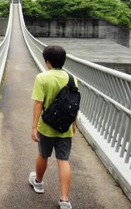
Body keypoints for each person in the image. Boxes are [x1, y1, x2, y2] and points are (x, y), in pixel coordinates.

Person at [29, 45, 76, 209]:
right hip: (65, 128)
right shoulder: (72, 78)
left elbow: (38, 103)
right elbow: (73, 104)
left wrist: (34, 127)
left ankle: (39, 182)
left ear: (47, 61)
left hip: (47, 127)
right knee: (63, 160)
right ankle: (64, 200)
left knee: (43, 155)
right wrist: (74, 123)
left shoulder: (42, 78)